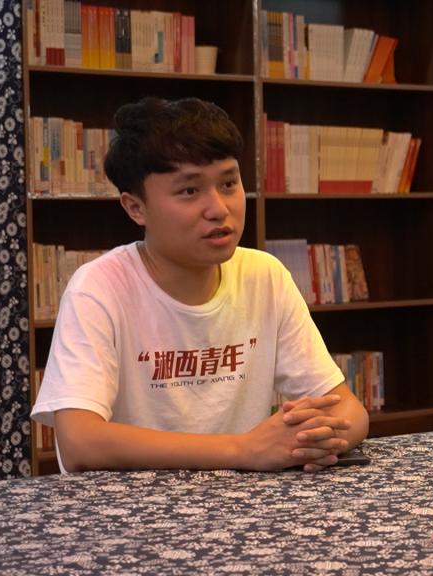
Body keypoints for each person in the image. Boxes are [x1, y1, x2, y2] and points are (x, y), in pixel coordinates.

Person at [31, 97, 369, 474]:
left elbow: (349, 410)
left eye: (229, 183)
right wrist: (242, 450)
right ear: (135, 208)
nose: (219, 209)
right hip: (130, 505)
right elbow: (79, 442)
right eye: (190, 191)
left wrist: (309, 440)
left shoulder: (264, 276)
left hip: (242, 499)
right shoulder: (98, 288)